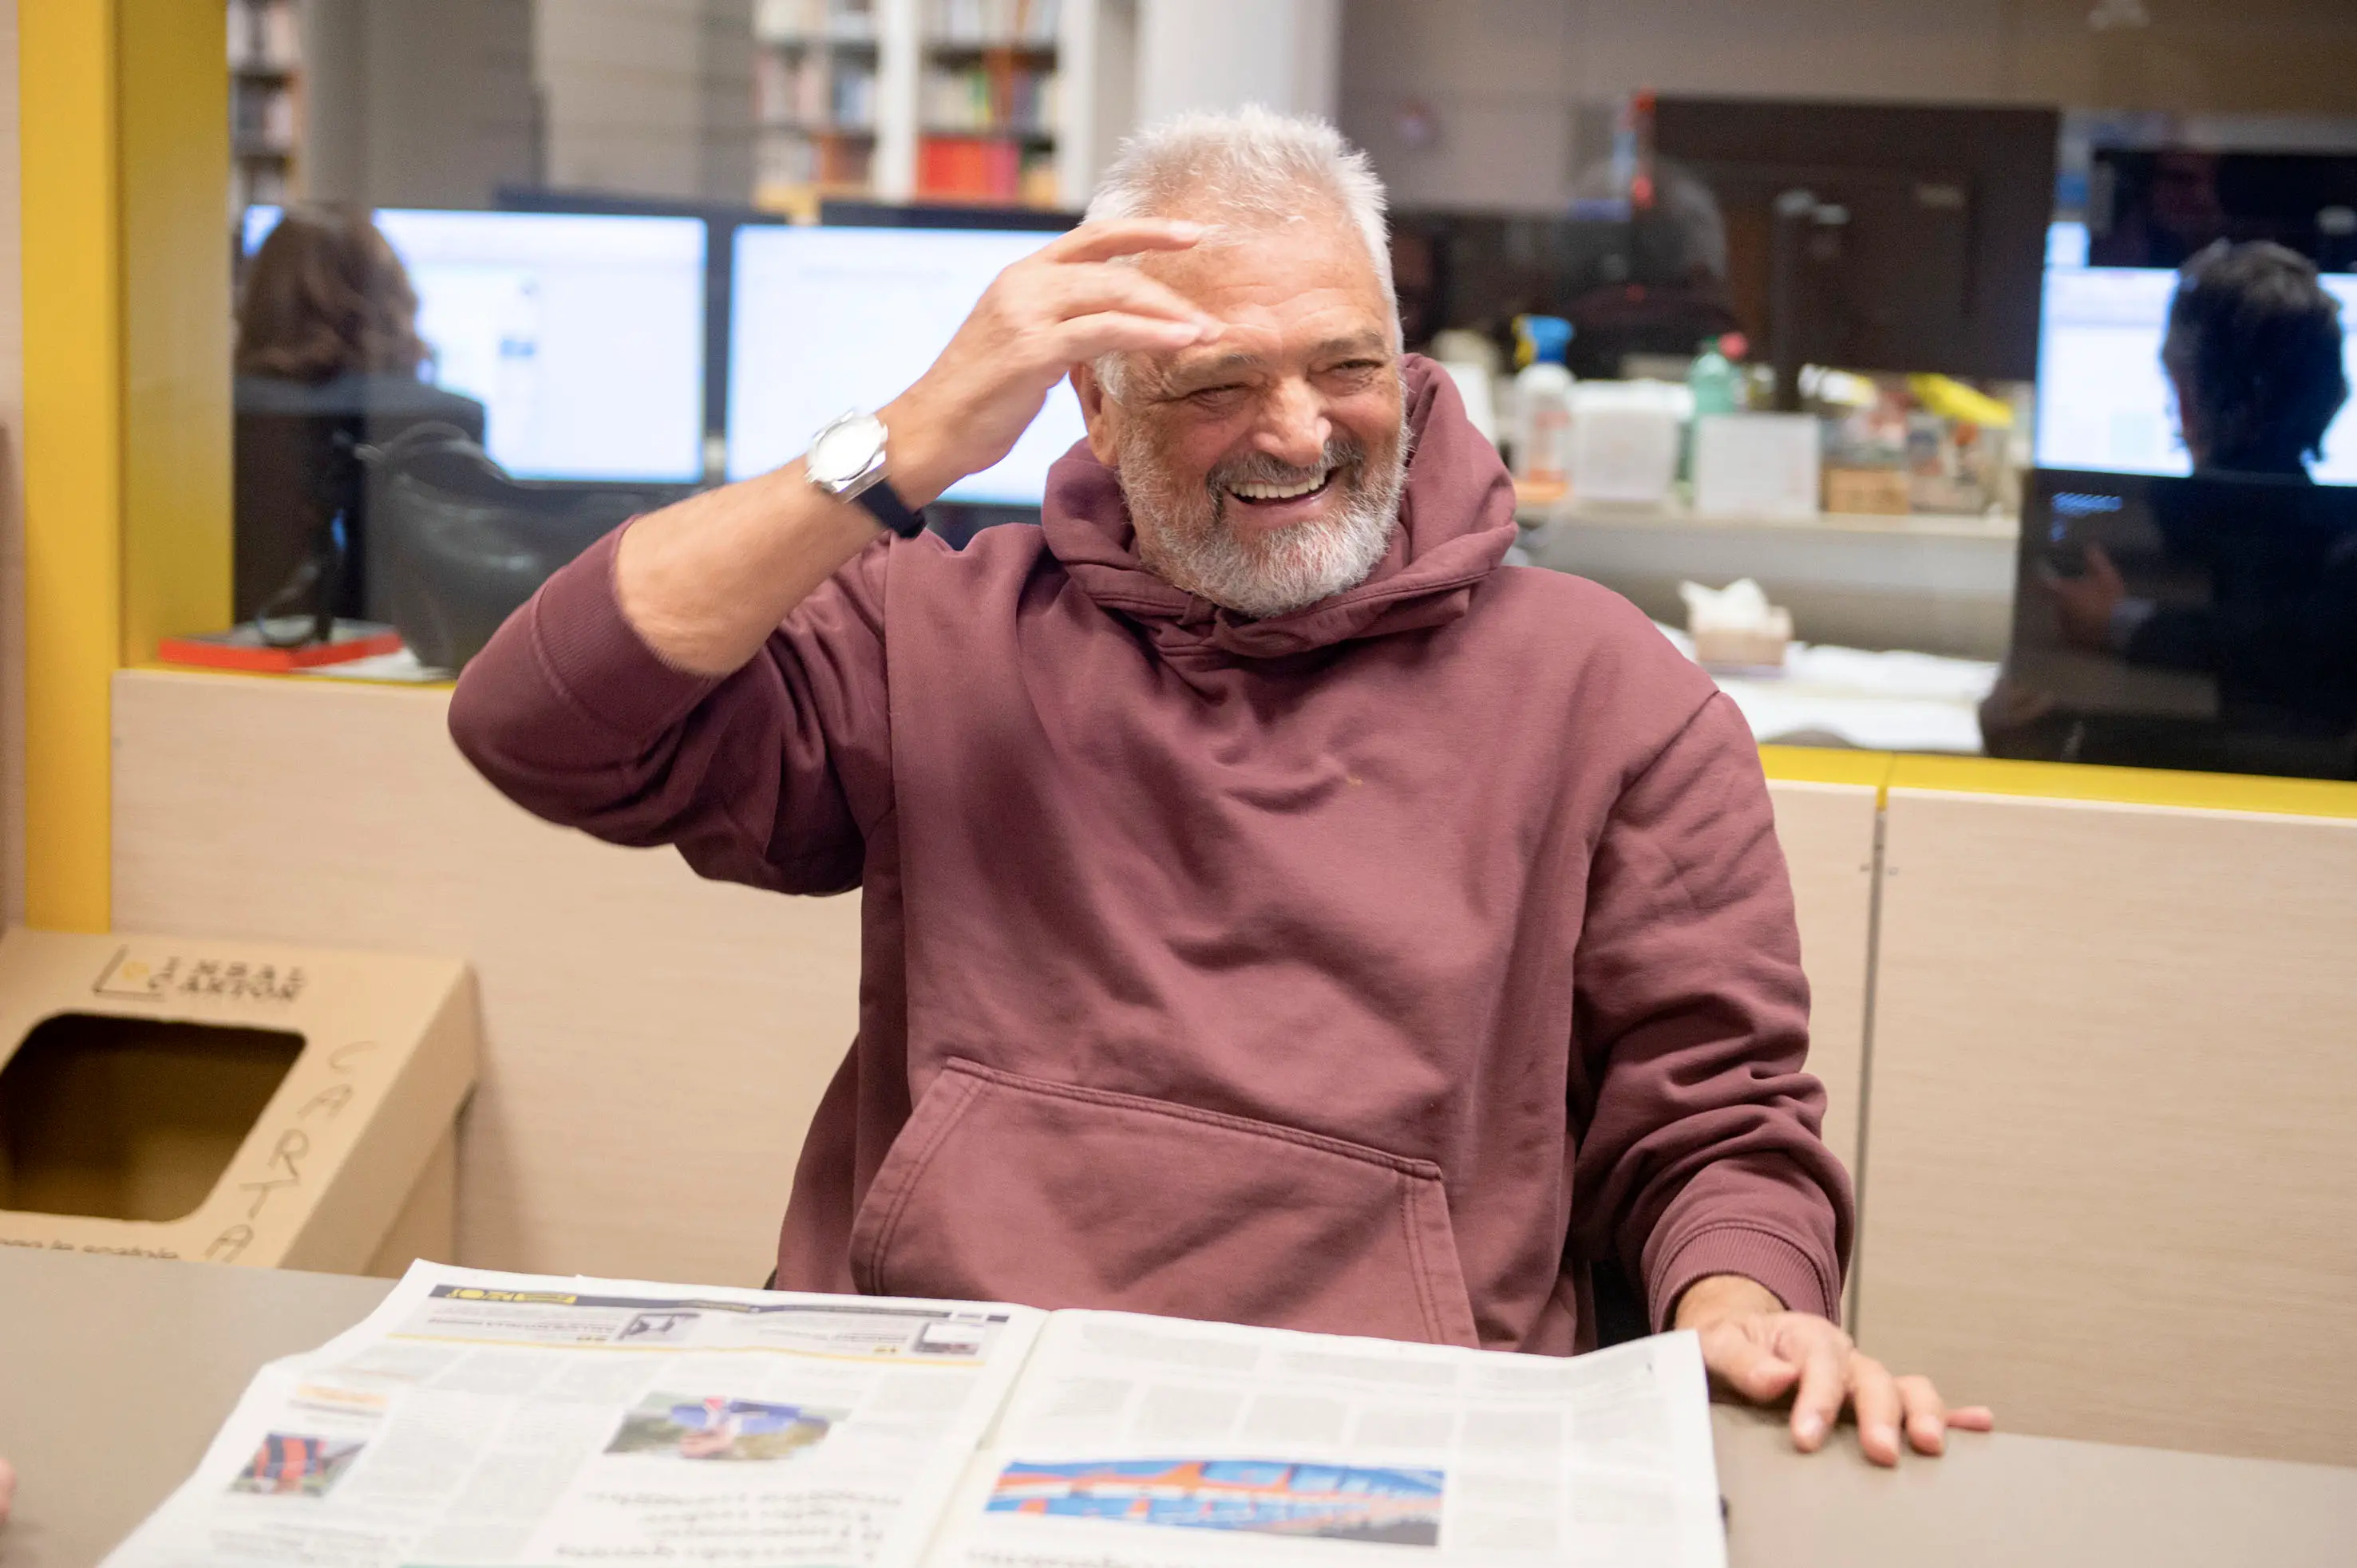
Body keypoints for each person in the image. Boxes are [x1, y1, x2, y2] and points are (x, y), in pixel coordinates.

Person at [452, 109, 1989, 1465]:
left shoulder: (1609, 697)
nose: (1298, 432)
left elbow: (1715, 1123)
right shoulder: (935, 631)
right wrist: (905, 446)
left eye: (1343, 366)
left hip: (1391, 1441)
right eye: (1215, 384)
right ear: (1092, 407)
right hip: (938, 1409)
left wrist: (1741, 1304)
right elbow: (540, 722)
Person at [233, 207, 487, 625]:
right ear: (393, 298)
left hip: (229, 663)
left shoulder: (210, 422)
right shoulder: (451, 419)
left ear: (262, 299)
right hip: (401, 670)